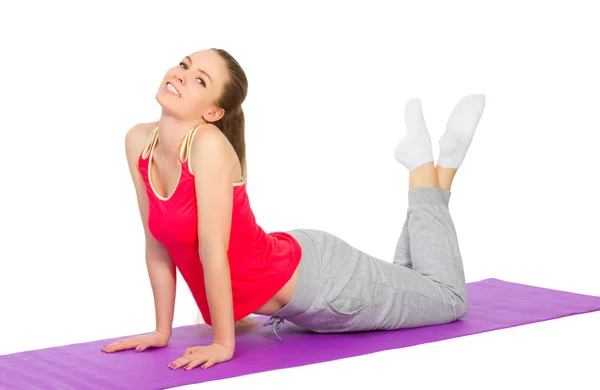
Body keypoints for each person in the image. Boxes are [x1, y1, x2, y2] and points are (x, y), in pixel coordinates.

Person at [100, 48, 486, 371]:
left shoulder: (207, 145)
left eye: (200, 80)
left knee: (448, 298)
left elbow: (211, 251)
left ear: (214, 113)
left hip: (328, 286)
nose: (181, 75)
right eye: (185, 65)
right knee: (411, 280)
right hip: (296, 263)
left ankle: (431, 168)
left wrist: (223, 344)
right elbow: (156, 242)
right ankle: (434, 171)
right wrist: (160, 332)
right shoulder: (139, 140)